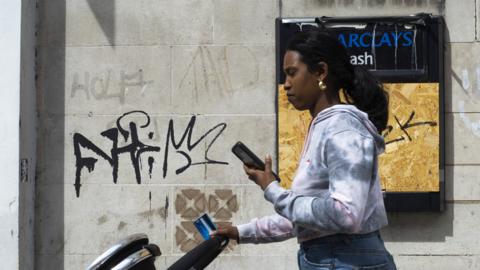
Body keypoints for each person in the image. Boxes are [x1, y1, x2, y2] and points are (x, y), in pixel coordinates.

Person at [214, 27, 397, 270]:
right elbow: (307, 220)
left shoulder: (342, 129)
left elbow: (345, 214)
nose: (286, 85)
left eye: (292, 73)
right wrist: (242, 232)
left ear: (321, 72)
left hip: (344, 260)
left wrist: (273, 190)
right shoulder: (325, 127)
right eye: (285, 76)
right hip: (336, 258)